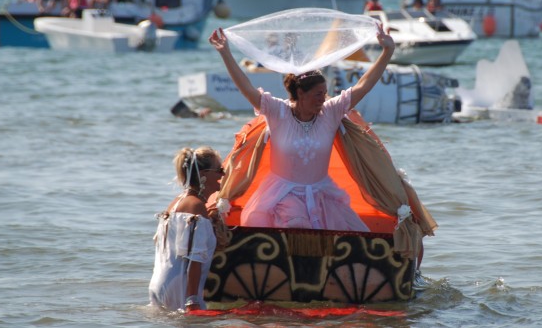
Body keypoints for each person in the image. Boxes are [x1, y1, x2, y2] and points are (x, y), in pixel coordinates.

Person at [208, 23, 395, 231]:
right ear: (300, 94)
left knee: (358, 234)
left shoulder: (330, 112)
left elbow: (363, 86)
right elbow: (246, 87)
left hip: (324, 195)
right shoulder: (276, 112)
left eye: (325, 93)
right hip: (281, 196)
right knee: (298, 228)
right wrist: (225, 53)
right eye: (318, 94)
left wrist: (387, 52)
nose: (323, 99)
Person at [149, 146, 226, 311]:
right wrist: (192, 302)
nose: (223, 175)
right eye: (219, 170)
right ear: (204, 175)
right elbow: (194, 259)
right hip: (180, 289)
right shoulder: (196, 206)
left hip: (159, 285)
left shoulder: (177, 202)